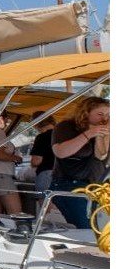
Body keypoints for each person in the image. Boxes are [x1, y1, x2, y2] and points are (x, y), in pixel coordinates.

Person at [48, 96, 110, 228]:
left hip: (96, 187)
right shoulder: (67, 127)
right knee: (87, 228)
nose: (104, 118)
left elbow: (101, 155)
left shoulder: (105, 131)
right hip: (70, 185)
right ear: (86, 113)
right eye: (100, 114)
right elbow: (60, 152)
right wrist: (89, 133)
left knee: (100, 228)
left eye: (108, 115)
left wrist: (103, 136)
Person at [29, 116, 57, 193]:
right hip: (62, 174)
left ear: (37, 123)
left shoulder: (42, 137)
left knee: (45, 199)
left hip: (47, 173)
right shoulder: (63, 135)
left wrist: (32, 164)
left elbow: (36, 161)